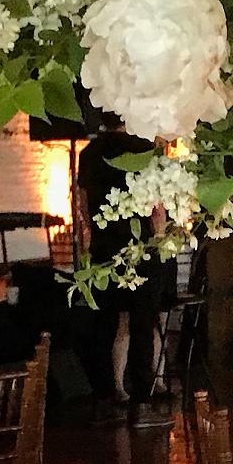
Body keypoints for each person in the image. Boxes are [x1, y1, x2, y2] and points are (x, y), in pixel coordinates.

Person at [78, 116, 171, 423]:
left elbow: (83, 205)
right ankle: (142, 403)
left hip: (104, 248)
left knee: (107, 323)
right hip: (140, 246)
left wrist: (93, 236)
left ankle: (107, 396)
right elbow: (157, 208)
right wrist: (160, 239)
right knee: (143, 323)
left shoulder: (89, 153)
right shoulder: (144, 150)